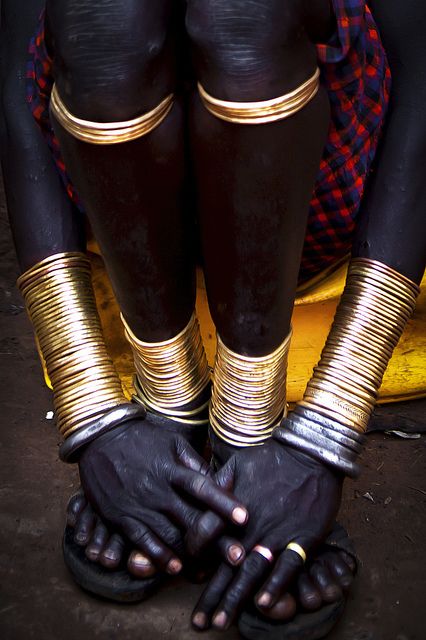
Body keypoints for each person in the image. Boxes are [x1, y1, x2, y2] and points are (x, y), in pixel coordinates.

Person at [1, 0, 425, 638]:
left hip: (308, 185)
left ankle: (246, 427)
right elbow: (12, 82)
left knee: (240, 12)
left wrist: (326, 433)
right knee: (102, 16)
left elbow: (423, 80)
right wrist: (93, 413)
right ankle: (169, 398)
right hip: (119, 195)